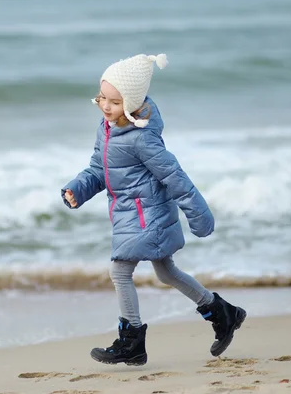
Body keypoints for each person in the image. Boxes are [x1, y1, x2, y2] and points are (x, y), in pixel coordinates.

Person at [60, 53, 246, 366]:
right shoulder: (107, 129)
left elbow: (175, 177)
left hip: (149, 216)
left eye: (114, 102)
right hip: (131, 215)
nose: (106, 106)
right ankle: (222, 312)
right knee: (165, 271)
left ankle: (131, 340)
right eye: (102, 98)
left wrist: (198, 215)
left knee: (120, 270)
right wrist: (79, 188)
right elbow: (98, 169)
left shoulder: (142, 138)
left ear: (131, 103)